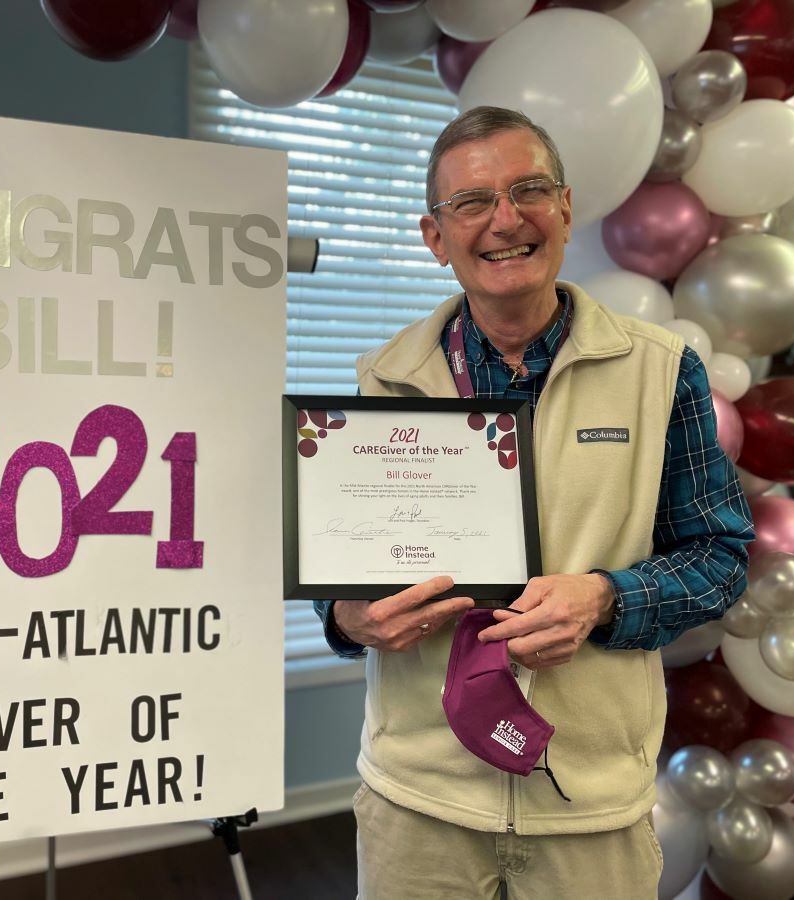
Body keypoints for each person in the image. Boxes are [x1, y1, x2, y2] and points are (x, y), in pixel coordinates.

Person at [313, 106, 755, 899]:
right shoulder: (381, 379)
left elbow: (720, 560)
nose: (505, 220)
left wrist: (606, 598)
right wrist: (346, 620)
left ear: (567, 208)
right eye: (472, 203)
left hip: (587, 808)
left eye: (530, 190)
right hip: (417, 806)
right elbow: (349, 576)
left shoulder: (661, 371)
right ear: (433, 236)